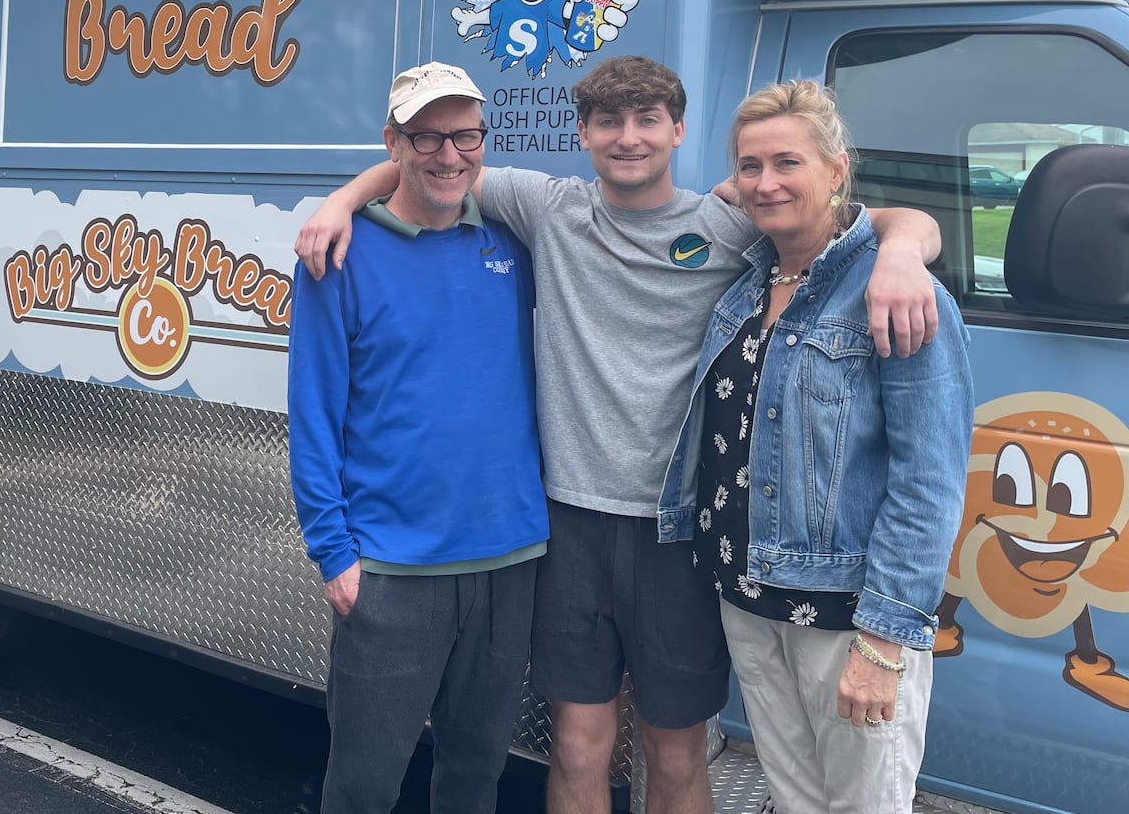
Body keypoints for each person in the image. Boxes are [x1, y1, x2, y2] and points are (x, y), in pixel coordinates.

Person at [296, 55, 942, 814]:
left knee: (672, 753)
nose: (627, 138)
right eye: (609, 121)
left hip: (677, 535)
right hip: (564, 526)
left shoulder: (732, 224)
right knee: (576, 745)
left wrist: (901, 249)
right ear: (582, 133)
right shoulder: (549, 210)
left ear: (677, 130)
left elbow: (856, 224)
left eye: (646, 121)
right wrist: (339, 200)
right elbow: (435, 162)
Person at [658, 80, 974, 813]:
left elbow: (929, 481)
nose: (766, 183)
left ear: (837, 170)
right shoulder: (748, 281)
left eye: (788, 163)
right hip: (747, 596)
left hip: (844, 614)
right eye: (750, 166)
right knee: (797, 798)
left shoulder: (897, 293)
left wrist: (883, 641)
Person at [288, 62, 548, 814]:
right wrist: (333, 552)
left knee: (474, 778)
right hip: (392, 570)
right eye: (426, 137)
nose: (449, 155)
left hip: (510, 560)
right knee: (365, 785)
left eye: (465, 135)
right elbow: (313, 411)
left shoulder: (515, 240)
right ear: (393, 143)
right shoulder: (337, 256)